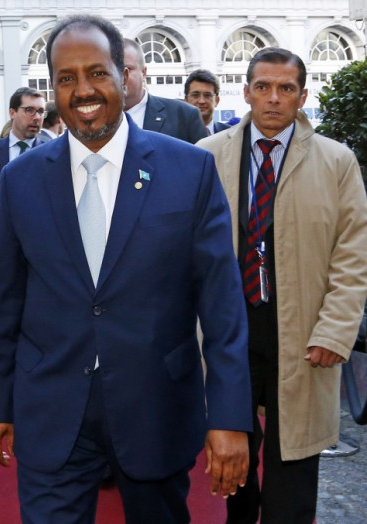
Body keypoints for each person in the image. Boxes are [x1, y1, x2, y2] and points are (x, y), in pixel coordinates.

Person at [0, 14, 252, 523]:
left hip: (157, 408)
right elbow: (2, 303)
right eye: (66, 77)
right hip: (52, 407)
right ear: (54, 87)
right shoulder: (20, 181)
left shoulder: (189, 170)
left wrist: (231, 415)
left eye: (97, 73)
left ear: (123, 77)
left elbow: (221, 305)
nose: (83, 89)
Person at [197, 47, 367, 523]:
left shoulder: (337, 162)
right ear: (247, 92)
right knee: (234, 461)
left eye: (286, 88)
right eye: (264, 87)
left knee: (293, 470)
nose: (274, 98)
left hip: (305, 331)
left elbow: (353, 255)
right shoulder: (206, 157)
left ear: (303, 95)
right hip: (229, 333)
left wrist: (335, 331)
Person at [123, 38, 208, 144]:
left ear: (144, 72)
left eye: (127, 69)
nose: (121, 76)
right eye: (113, 70)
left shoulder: (184, 115)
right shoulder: (97, 119)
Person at [0, 86, 48, 209]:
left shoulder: (51, 153)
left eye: (41, 111)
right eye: (29, 110)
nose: (37, 117)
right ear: (12, 113)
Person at [184, 69, 230, 135]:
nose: (201, 101)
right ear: (186, 100)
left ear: (217, 100)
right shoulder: (175, 136)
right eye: (195, 95)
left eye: (207, 95)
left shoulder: (230, 134)